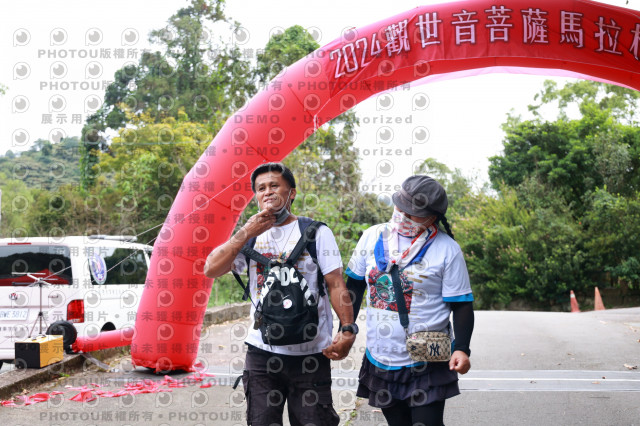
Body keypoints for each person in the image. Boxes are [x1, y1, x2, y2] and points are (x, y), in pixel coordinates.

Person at [204, 162, 356, 426]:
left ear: (291, 193)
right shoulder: (249, 236)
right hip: (262, 353)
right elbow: (211, 269)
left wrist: (347, 329)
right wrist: (245, 232)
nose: (267, 192)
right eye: (261, 188)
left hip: (310, 353)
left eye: (274, 185)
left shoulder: (316, 232)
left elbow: (336, 284)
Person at [345, 175, 475, 426]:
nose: (402, 215)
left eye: (412, 213)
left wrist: (462, 348)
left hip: (428, 356)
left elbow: (462, 304)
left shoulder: (447, 249)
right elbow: (354, 286)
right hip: (382, 355)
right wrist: (346, 327)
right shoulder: (371, 236)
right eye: (400, 207)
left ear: (432, 218)